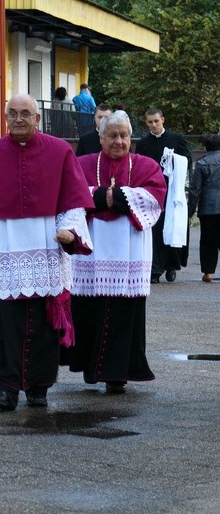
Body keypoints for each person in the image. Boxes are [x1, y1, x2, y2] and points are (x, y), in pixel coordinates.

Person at [0, 93, 94, 411]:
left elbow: (74, 202)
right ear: (6, 118)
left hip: (45, 248)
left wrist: (70, 232)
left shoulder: (60, 152)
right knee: (0, 325)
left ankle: (38, 388)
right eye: (13, 114)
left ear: (37, 118)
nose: (19, 119)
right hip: (1, 250)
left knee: (42, 326)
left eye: (25, 114)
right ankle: (4, 389)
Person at [64, 111, 166, 394]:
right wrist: (100, 195)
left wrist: (116, 196)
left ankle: (117, 374)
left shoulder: (145, 165)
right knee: (88, 311)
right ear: (101, 138)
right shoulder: (83, 163)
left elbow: (154, 197)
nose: (119, 141)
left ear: (131, 138)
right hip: (91, 252)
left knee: (124, 313)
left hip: (129, 251)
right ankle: (89, 367)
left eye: (124, 135)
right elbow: (70, 193)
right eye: (112, 135)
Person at [135, 107, 193, 283]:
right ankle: (155, 268)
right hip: (153, 192)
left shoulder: (176, 139)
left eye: (156, 121)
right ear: (146, 123)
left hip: (172, 191)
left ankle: (171, 266)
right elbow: (139, 165)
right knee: (156, 230)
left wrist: (174, 159)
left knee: (173, 227)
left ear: (163, 120)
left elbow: (188, 159)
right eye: (150, 122)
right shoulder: (144, 144)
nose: (153, 125)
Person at [188, 133, 220, 283]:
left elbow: (195, 190)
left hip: (208, 207)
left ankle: (208, 272)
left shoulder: (202, 163)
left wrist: (190, 210)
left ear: (206, 147)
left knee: (207, 241)